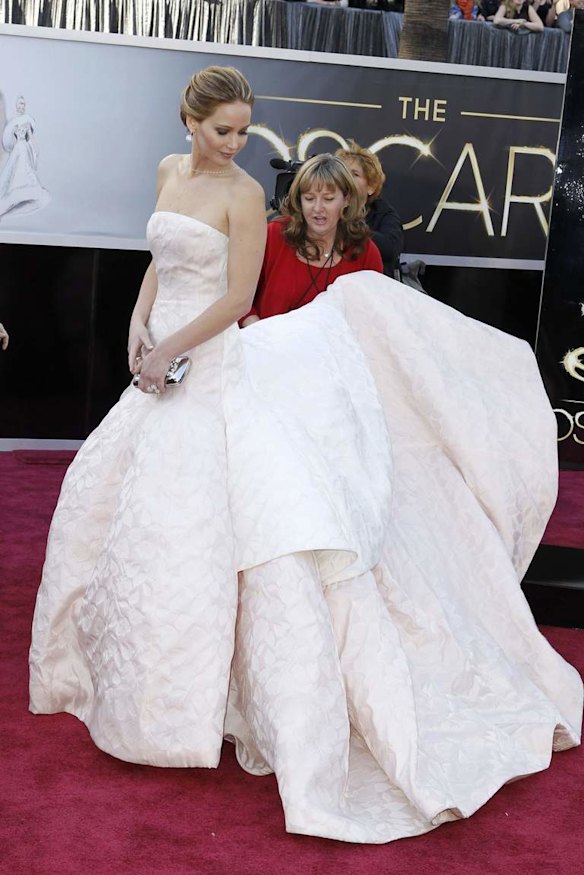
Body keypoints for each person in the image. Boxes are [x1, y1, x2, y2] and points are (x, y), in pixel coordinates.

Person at [29, 66, 582, 845]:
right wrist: (136, 323)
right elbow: (159, 256)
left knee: (228, 520)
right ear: (188, 122)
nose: (236, 143)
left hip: (211, 358)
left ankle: (202, 703)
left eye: (245, 130)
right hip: (159, 353)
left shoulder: (248, 195)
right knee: (118, 503)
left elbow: (234, 299)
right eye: (223, 130)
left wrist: (172, 349)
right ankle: (131, 686)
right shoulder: (168, 172)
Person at [240, 154, 382, 326]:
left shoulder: (365, 252)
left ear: (346, 199)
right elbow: (238, 297)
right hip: (267, 347)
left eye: (328, 199)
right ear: (299, 200)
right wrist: (260, 334)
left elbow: (371, 320)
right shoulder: (273, 236)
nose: (317, 208)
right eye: (309, 198)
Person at [336, 140, 403, 276]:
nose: (347, 178)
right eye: (343, 173)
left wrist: (350, 229)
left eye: (354, 174)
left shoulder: (384, 214)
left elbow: (390, 249)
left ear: (371, 187)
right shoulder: (326, 207)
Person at [0, 96, 50, 221]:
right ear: (16, 106)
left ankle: (25, 190)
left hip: (24, 148)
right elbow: (11, 143)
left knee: (24, 167)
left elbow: (31, 139)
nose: (21, 106)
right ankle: (13, 193)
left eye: (23, 104)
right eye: (19, 104)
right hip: (17, 149)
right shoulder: (13, 123)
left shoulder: (28, 122)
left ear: (25, 105)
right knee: (13, 170)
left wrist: (35, 150)